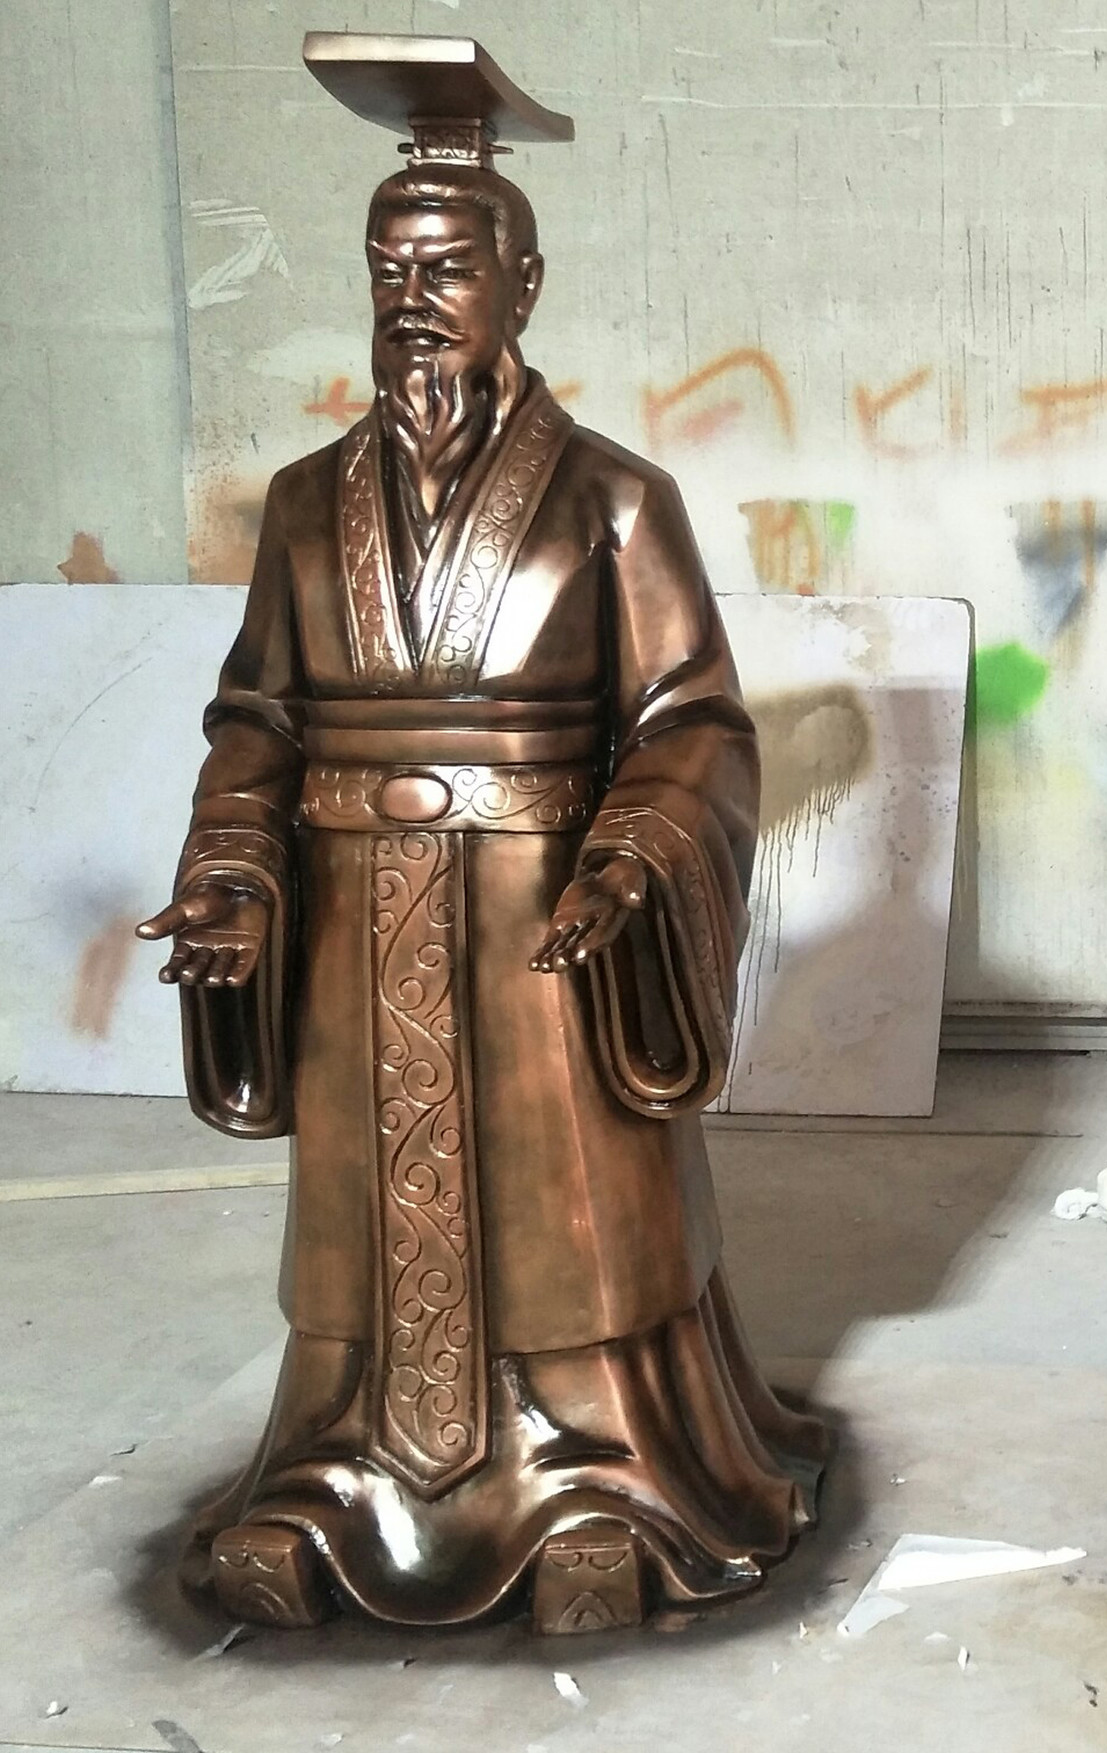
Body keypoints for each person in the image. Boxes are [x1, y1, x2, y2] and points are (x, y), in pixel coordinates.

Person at [135, 42, 827, 1633]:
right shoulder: (305, 504)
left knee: (569, 1211)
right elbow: (259, 716)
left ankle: (595, 1472)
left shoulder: (616, 501)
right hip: (348, 908)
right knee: (361, 1225)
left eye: (448, 268)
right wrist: (231, 869)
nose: (413, 300)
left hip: (540, 910)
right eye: (389, 268)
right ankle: (336, 1469)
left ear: (523, 284)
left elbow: (693, 721)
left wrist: (634, 858)